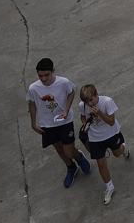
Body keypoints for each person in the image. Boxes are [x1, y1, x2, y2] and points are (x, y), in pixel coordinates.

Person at [27, 58, 91, 189]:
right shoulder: (33, 88)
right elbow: (32, 104)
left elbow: (71, 92)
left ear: (53, 71)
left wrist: (66, 110)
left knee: (68, 150)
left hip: (64, 121)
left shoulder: (63, 82)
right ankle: (71, 168)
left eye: (46, 75)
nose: (43, 79)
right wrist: (33, 123)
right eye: (40, 76)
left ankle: (78, 156)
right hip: (47, 124)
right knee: (59, 149)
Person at [78, 84, 128, 205]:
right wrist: (85, 124)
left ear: (96, 94)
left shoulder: (107, 102)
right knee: (101, 164)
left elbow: (111, 122)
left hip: (112, 133)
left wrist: (99, 112)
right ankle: (109, 187)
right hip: (95, 137)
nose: (89, 104)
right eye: (86, 101)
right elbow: (83, 116)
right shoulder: (82, 105)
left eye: (91, 100)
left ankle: (124, 148)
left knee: (117, 154)